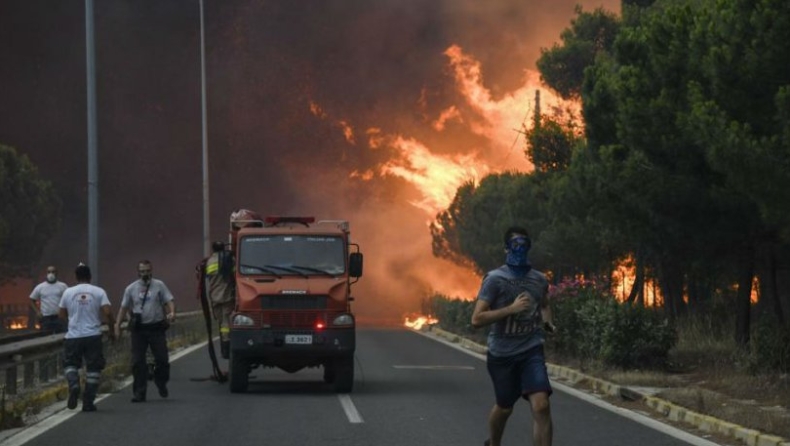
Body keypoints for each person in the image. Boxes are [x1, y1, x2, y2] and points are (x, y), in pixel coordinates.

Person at [471, 226, 556, 446]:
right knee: (505, 406)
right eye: (515, 245)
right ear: (506, 248)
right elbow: (477, 319)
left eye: (524, 245)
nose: (520, 250)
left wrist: (548, 322)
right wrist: (511, 309)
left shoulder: (539, 279)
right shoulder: (494, 279)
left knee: (541, 406)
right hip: (502, 354)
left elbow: (544, 304)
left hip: (531, 349)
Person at [114, 260, 176, 403]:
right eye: (142, 271)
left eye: (147, 271)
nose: (145, 274)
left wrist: (172, 312)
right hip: (139, 330)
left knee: (162, 359)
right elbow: (123, 307)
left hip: (156, 328)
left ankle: (161, 382)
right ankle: (139, 393)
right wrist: (117, 325)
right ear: (138, 272)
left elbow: (169, 300)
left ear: (151, 270)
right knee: (137, 362)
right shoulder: (131, 288)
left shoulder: (159, 285)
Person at [58, 263, 114, 412]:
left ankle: (74, 384)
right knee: (94, 369)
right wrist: (112, 331)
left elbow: (61, 314)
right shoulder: (98, 291)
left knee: (70, 364)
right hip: (93, 336)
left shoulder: (68, 292)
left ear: (76, 277)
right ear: (90, 276)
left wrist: (72, 321)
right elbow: (108, 313)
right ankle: (88, 402)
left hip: (73, 336)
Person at [205, 241, 235, 358]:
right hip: (227, 296)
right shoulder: (228, 259)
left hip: (214, 297)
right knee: (226, 323)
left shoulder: (209, 262)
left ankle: (225, 345)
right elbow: (235, 274)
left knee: (221, 322)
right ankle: (226, 346)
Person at [30, 265, 68, 334]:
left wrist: (66, 313)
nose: (51, 274)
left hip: (59, 318)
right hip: (45, 318)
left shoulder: (63, 286)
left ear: (56, 273)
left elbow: (68, 300)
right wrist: (37, 312)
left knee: (61, 337)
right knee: (45, 338)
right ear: (46, 274)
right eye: (49, 272)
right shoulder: (40, 287)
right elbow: (32, 299)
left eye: (53, 272)